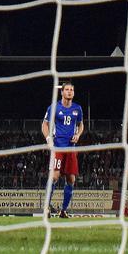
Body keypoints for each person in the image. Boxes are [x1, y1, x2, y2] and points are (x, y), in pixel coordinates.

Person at [41, 81, 84, 218]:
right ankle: (46, 208)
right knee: (54, 176)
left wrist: (78, 135)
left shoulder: (77, 108)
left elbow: (81, 125)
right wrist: (48, 138)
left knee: (71, 179)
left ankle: (63, 211)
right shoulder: (54, 107)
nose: (69, 92)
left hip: (71, 148)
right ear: (62, 92)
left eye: (71, 90)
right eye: (67, 89)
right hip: (58, 147)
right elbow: (45, 124)